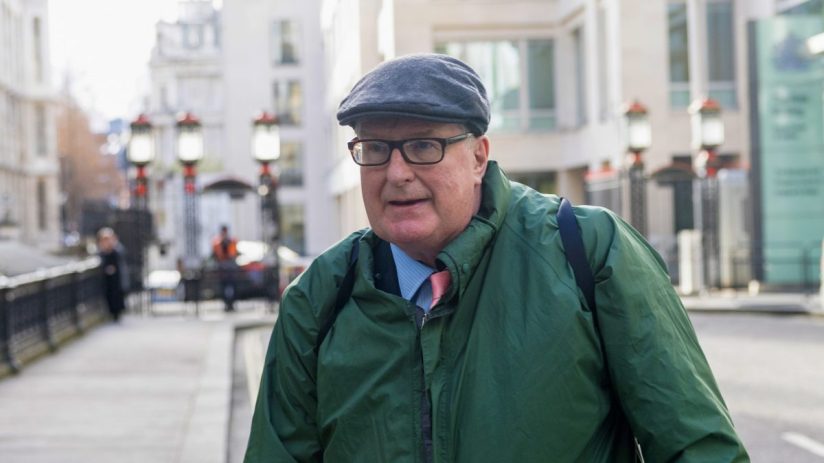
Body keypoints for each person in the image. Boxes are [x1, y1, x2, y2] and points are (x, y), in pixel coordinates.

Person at [245, 54, 749, 462]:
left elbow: (697, 447)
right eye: (375, 147)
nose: (395, 172)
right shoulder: (318, 298)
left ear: (479, 156)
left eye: (423, 146)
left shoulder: (589, 250)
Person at [97, 227, 129, 322]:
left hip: (116, 280)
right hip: (107, 281)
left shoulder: (117, 250)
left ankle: (116, 313)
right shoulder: (102, 252)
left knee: (117, 297)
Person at [212, 224, 239, 311]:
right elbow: (215, 255)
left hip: (230, 268)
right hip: (223, 268)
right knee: (224, 287)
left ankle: (231, 304)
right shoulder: (217, 241)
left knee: (232, 286)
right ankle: (226, 304)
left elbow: (234, 253)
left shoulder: (232, 241)